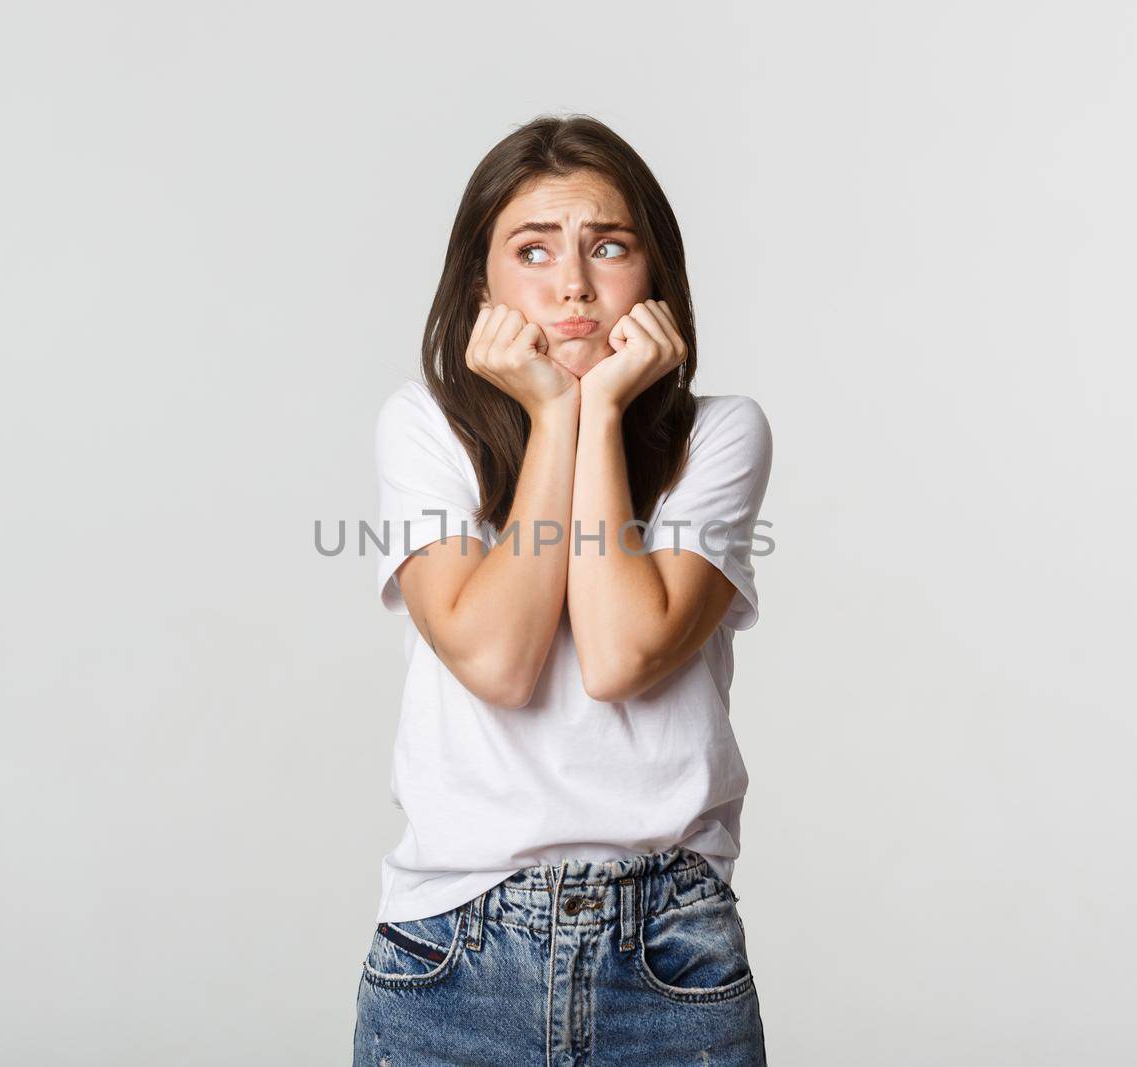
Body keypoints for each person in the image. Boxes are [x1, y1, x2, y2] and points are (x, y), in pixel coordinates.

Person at [355, 113, 774, 1066]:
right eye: (533, 250)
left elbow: (624, 654)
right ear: (482, 289)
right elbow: (499, 661)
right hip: (452, 951)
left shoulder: (724, 435)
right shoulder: (425, 429)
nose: (573, 283)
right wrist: (554, 411)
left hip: (671, 951)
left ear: (655, 276)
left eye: (609, 246)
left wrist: (604, 406)